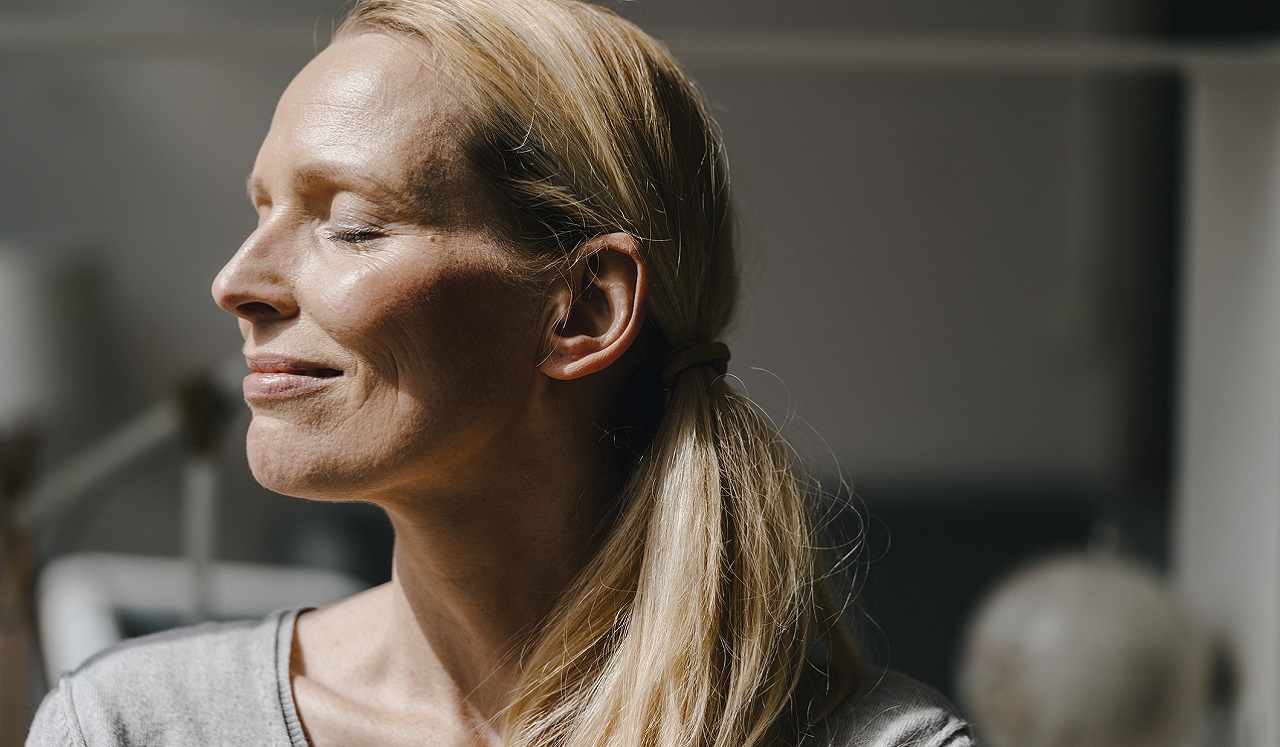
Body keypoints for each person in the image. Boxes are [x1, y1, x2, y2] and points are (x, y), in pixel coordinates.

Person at [27, 1, 975, 745]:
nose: (236, 283)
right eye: (261, 210)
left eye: (350, 224)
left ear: (586, 308)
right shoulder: (132, 727)